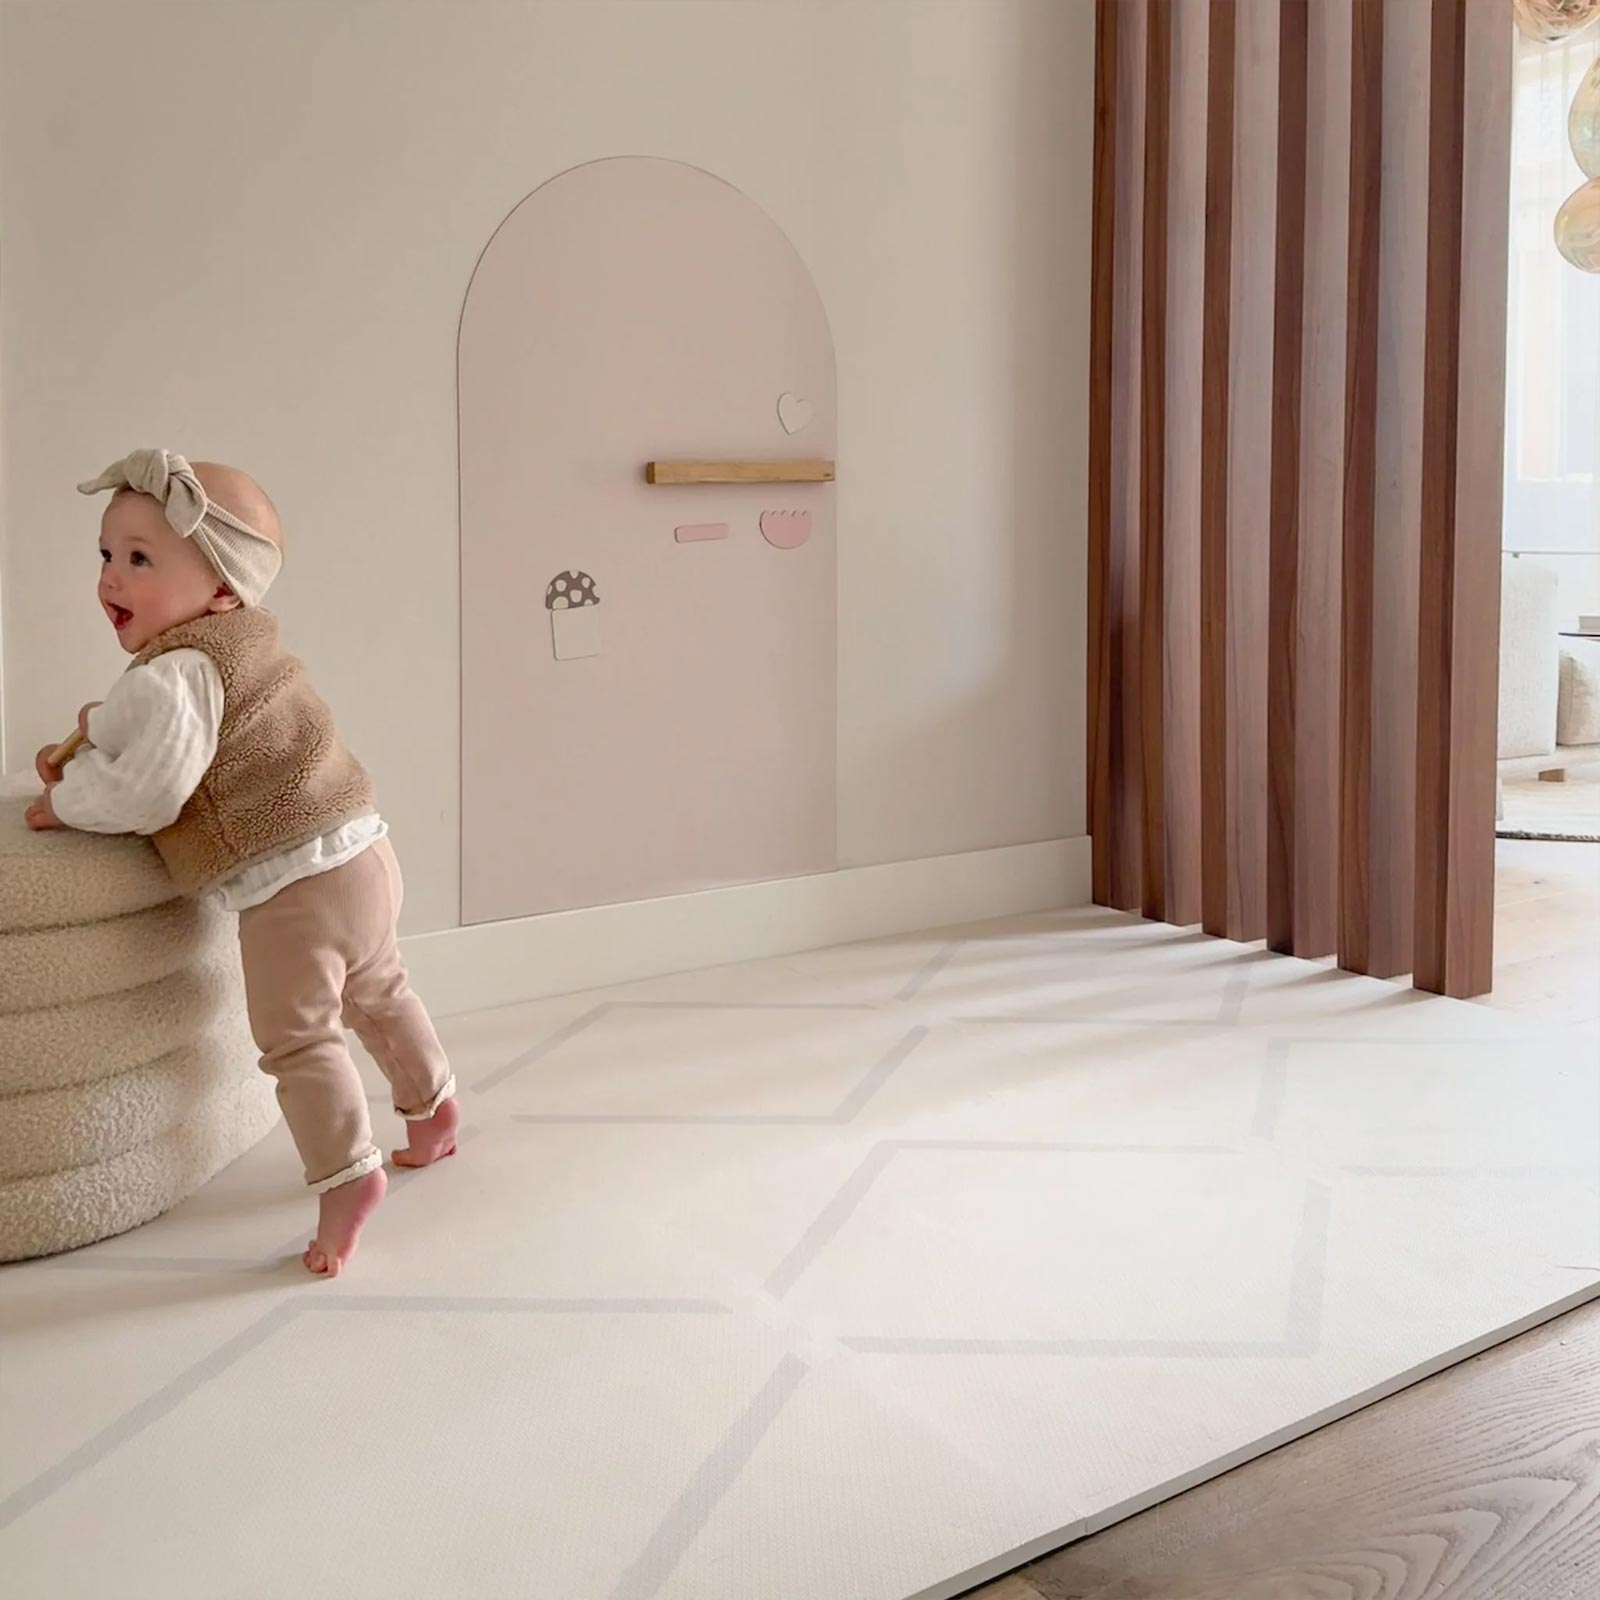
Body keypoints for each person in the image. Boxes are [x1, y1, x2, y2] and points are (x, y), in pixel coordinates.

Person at [29, 448, 457, 1276]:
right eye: (107, 554)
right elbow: (151, 726)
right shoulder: (242, 647)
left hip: (296, 887)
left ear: (222, 589)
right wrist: (97, 731)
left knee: (299, 1041)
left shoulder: (177, 673)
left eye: (141, 559)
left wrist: (69, 801)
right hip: (365, 850)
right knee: (378, 991)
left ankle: (347, 1178)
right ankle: (433, 1110)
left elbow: (149, 790)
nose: (111, 577)